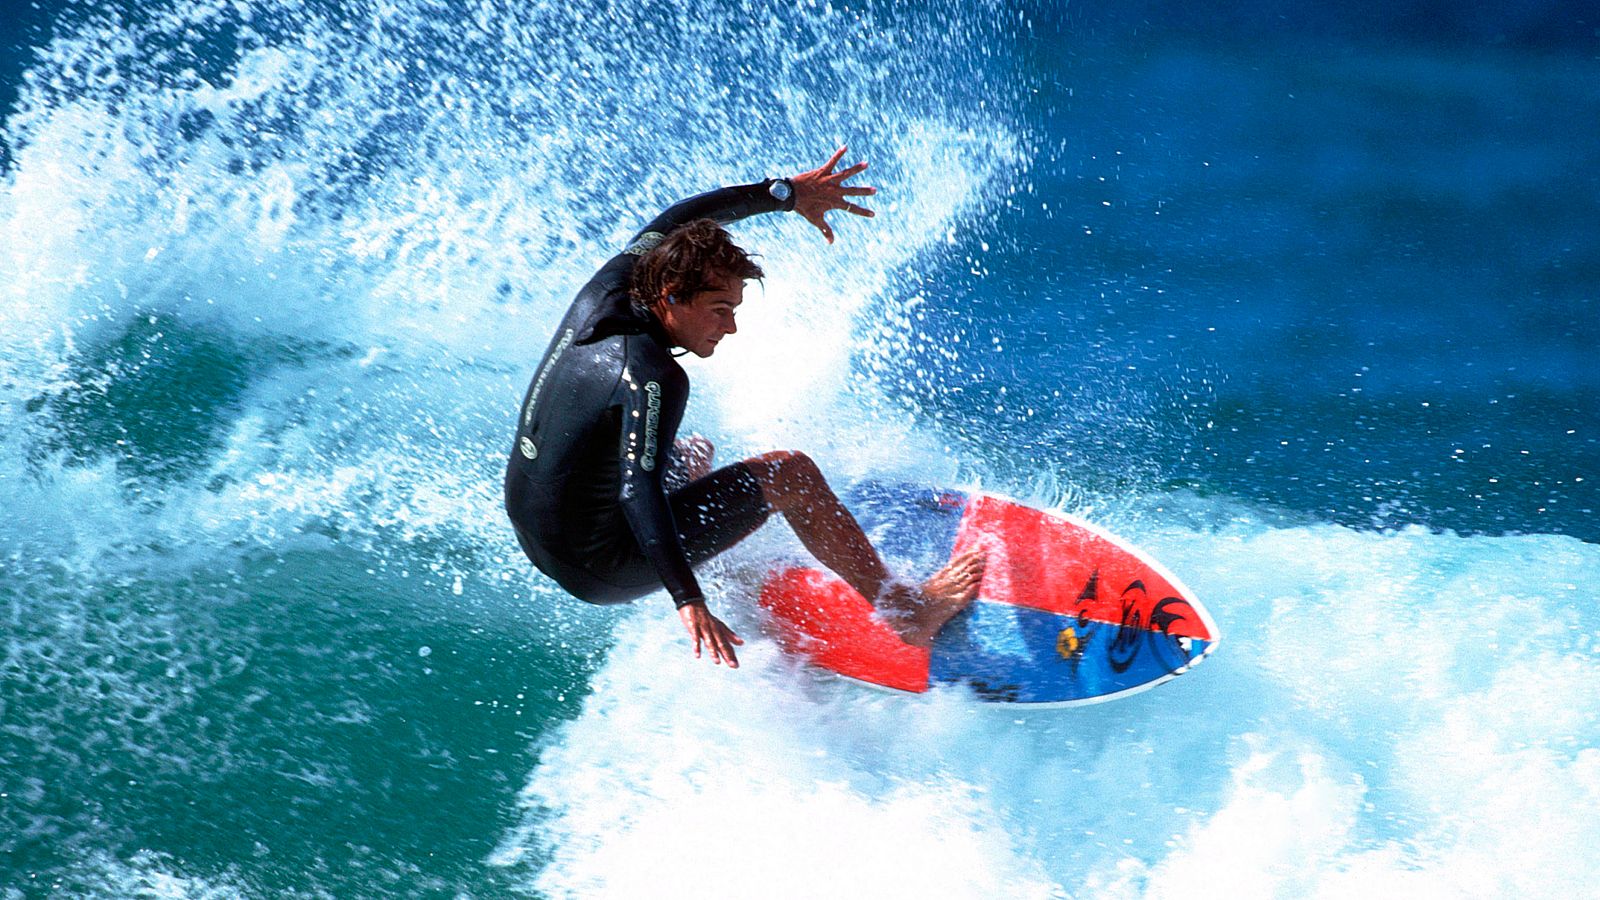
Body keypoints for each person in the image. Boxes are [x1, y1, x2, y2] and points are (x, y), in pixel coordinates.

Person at [504, 147, 984, 668]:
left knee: (693, 454)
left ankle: (706, 552)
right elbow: (636, 488)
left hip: (535, 524)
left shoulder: (611, 287)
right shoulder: (654, 377)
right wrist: (688, 599)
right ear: (670, 296)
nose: (729, 327)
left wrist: (786, 195)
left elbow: (677, 220)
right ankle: (907, 612)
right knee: (790, 474)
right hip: (599, 563)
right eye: (718, 310)